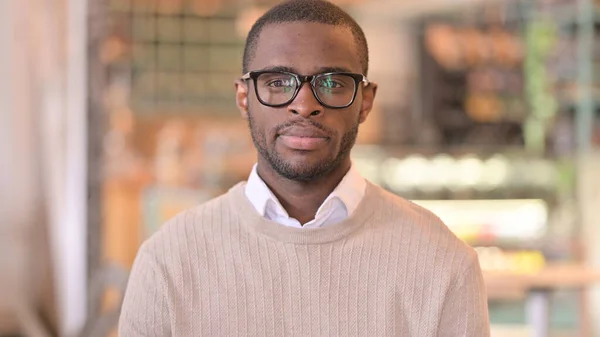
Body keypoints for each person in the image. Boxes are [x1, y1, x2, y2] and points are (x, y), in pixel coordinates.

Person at [118, 1, 490, 336]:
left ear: (365, 100)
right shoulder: (169, 261)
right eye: (278, 82)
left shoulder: (442, 263)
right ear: (244, 97)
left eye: (331, 82)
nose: (304, 104)